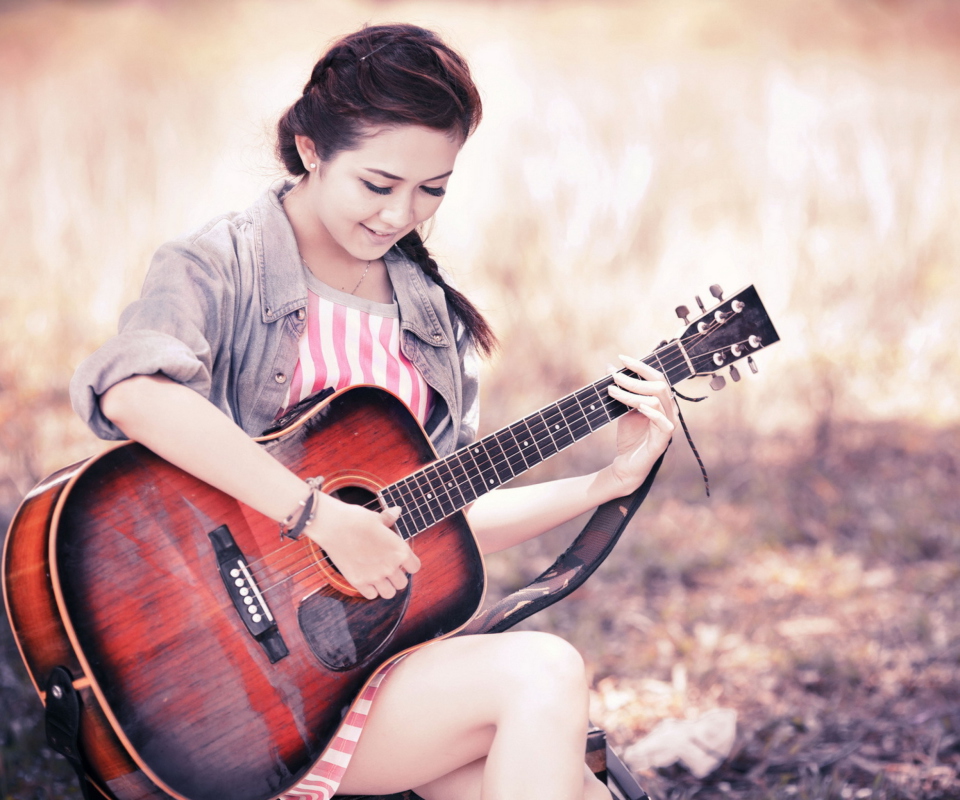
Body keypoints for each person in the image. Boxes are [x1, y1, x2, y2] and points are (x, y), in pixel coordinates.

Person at [70, 22, 677, 800]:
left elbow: (437, 520)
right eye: (379, 184)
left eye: (432, 190)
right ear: (313, 150)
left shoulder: (431, 320)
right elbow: (134, 393)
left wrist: (605, 484)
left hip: (371, 676)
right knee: (544, 669)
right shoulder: (219, 266)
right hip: (232, 690)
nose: (400, 216)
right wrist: (317, 516)